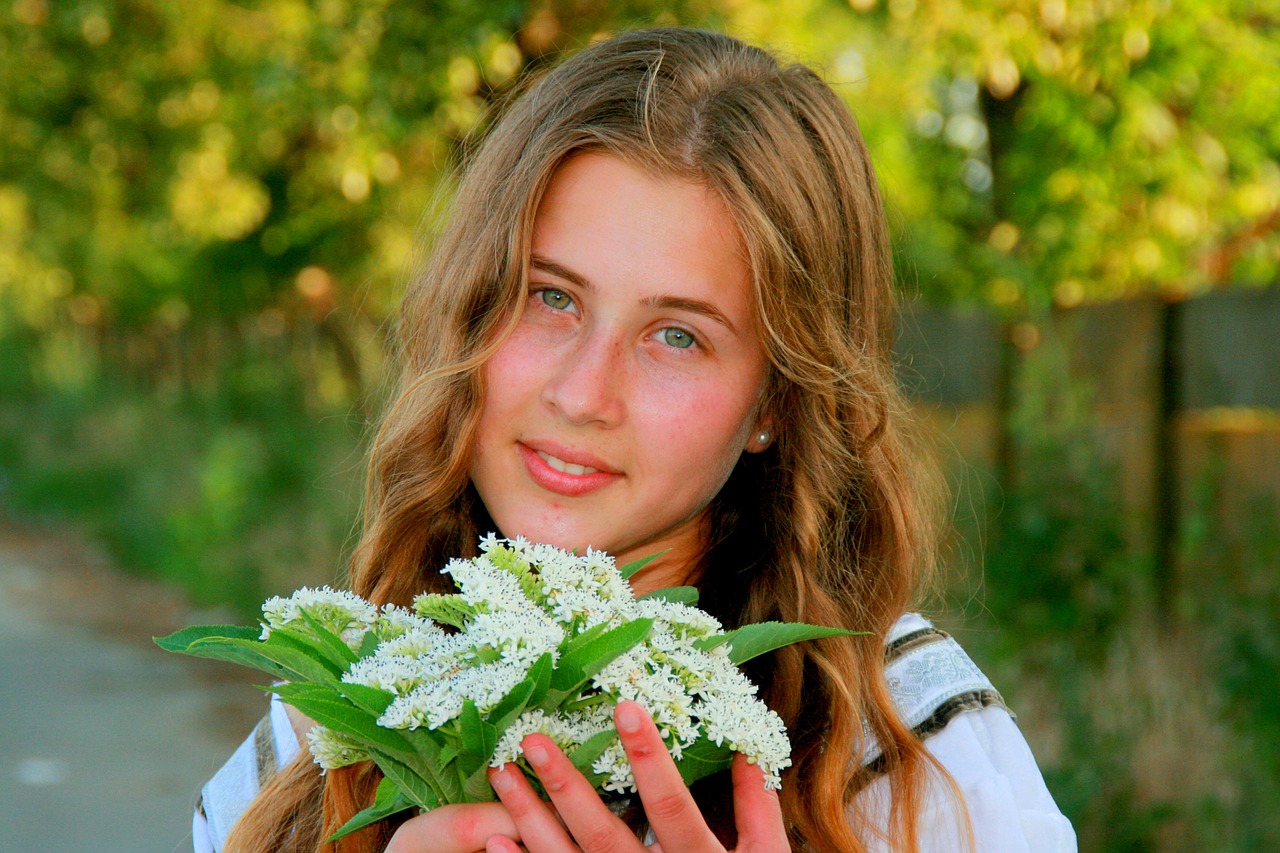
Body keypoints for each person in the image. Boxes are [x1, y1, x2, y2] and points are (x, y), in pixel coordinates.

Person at [193, 27, 1076, 853]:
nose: (582, 394)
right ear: (468, 310)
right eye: (550, 297)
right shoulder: (333, 718)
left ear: (776, 400)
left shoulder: (906, 739)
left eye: (677, 336)